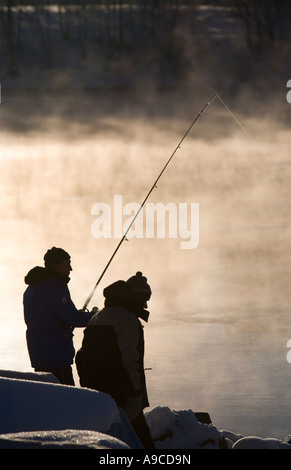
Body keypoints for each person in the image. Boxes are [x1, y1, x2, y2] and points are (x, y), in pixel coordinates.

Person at [75, 271, 155, 449]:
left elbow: (81, 356)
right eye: (144, 298)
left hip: (97, 391)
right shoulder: (127, 319)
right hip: (123, 393)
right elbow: (130, 359)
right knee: (141, 440)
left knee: (110, 439)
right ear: (134, 298)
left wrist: (87, 386)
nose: (146, 304)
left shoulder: (98, 316)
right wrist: (135, 394)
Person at [23, 247, 93, 385]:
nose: (70, 269)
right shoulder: (54, 286)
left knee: (48, 397)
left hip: (40, 353)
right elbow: (72, 318)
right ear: (58, 266)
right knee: (66, 398)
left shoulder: (34, 285)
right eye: (68, 264)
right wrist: (97, 317)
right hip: (55, 355)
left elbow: (55, 316)